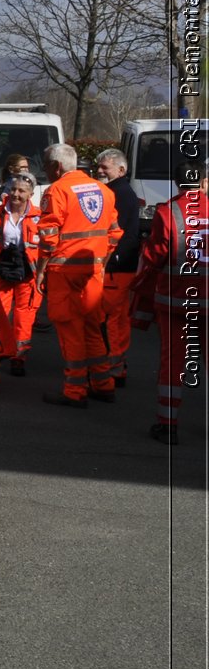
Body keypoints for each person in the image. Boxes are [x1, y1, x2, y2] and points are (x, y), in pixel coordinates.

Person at [37, 143, 122, 408]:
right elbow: (115, 233)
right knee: (92, 326)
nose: (46, 171)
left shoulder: (57, 190)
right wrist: (102, 263)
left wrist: (41, 271)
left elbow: (48, 237)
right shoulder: (104, 190)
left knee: (69, 328)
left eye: (46, 166)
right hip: (93, 270)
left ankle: (74, 391)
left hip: (64, 271)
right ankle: (103, 384)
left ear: (56, 167)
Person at [131, 157, 206, 444]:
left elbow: (153, 257)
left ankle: (168, 424)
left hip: (174, 301)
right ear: (202, 182)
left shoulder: (168, 212)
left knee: (172, 361)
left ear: (176, 182)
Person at [93, 148, 142, 389]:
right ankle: (117, 366)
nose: (99, 171)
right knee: (119, 319)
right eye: (99, 166)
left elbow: (122, 235)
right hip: (121, 267)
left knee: (108, 319)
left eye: (105, 168)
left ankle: (108, 370)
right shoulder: (121, 191)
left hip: (115, 268)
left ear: (121, 170)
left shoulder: (119, 193)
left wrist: (109, 261)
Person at [0, 172, 41, 380]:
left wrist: (43, 273)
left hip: (28, 272)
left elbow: (46, 246)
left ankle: (19, 357)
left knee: (24, 316)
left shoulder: (39, 216)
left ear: (30, 194)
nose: (16, 194)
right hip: (2, 268)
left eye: (22, 191)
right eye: (13, 189)